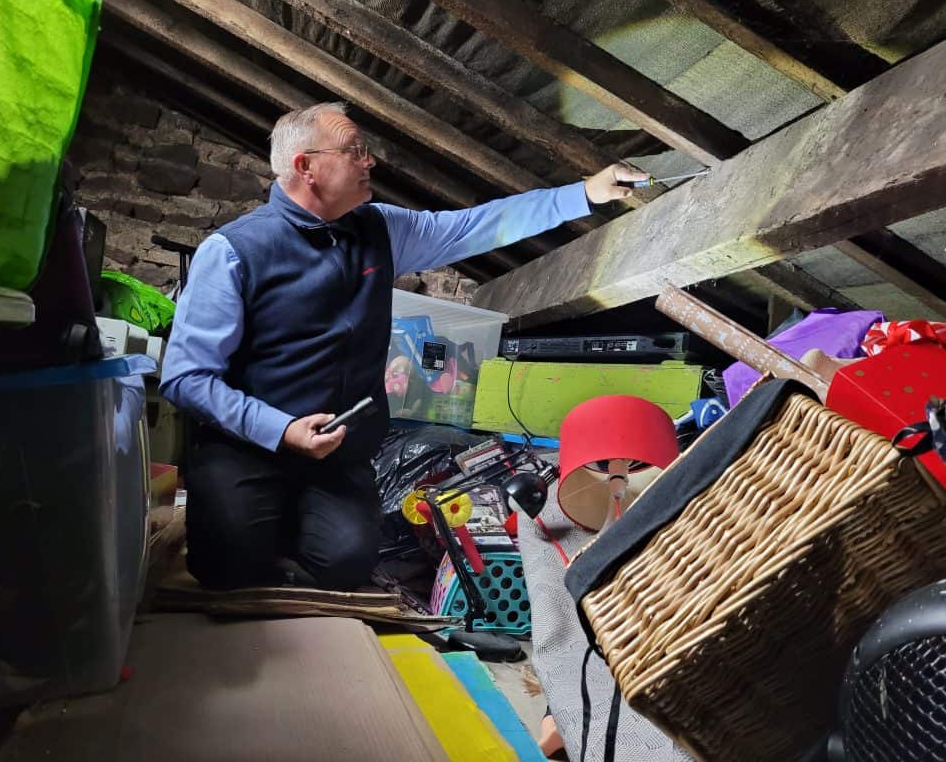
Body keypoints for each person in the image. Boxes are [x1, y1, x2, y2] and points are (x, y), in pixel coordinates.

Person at [160, 101, 647, 591]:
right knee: (226, 568)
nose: (369, 161)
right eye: (354, 151)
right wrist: (280, 429)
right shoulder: (233, 252)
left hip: (337, 458)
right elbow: (185, 378)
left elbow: (474, 226)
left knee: (348, 565)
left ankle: (291, 528)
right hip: (247, 449)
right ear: (306, 166)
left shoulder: (380, 229)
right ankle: (258, 524)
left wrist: (584, 193)